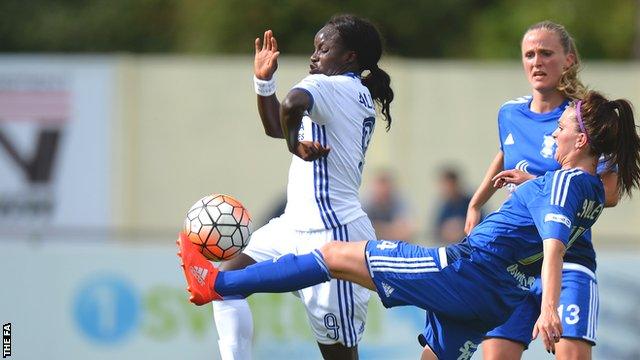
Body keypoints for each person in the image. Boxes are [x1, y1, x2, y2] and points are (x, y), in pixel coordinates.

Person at [178, 91, 640, 360]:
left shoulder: (564, 185)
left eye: (559, 128)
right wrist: (530, 181)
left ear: (580, 139)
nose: (552, 134)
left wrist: (549, 309)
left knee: (335, 256)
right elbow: (554, 211)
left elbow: (555, 247)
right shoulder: (591, 190)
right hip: (498, 294)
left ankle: (217, 281)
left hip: (465, 270)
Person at [210, 14, 394, 360]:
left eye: (324, 49)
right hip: (293, 226)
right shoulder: (351, 92)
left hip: (334, 236)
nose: (315, 57)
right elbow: (277, 126)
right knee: (225, 283)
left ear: (349, 57)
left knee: (339, 355)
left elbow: (292, 106)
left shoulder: (332, 86)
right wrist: (264, 83)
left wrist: (294, 143)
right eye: (315, 49)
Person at [464, 21, 620, 360]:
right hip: (514, 261)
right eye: (529, 54)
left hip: (569, 261)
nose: (537, 62)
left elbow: (609, 193)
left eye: (547, 53)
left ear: (568, 60)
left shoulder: (585, 119)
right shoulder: (509, 112)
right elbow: (506, 152)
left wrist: (539, 187)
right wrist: (476, 203)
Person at [363, 169, 416, 242]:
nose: (383, 190)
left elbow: (406, 231)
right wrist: (392, 230)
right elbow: (362, 231)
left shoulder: (399, 202)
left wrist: (378, 229)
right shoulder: (366, 204)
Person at [434, 168, 476, 245]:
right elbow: (436, 231)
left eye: (448, 185)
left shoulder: (471, 203)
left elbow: (480, 225)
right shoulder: (444, 206)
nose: (446, 189)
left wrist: (462, 229)